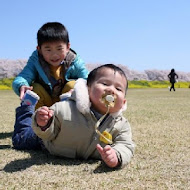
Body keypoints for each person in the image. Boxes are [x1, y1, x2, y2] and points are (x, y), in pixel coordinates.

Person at [31, 64, 135, 168]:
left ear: (123, 102)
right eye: (105, 83)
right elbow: (48, 134)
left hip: (82, 153)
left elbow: (125, 145)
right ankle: (26, 108)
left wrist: (116, 155)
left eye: (118, 89)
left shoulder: (121, 124)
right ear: (88, 88)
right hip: (46, 145)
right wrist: (44, 124)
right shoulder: (63, 109)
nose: (111, 90)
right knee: (22, 139)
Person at [12, 22, 89, 109]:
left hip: (67, 103)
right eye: (48, 50)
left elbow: (88, 79)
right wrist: (21, 85)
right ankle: (36, 119)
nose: (54, 55)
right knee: (35, 89)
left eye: (59, 49)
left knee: (74, 85)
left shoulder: (74, 60)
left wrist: (78, 90)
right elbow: (24, 76)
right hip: (44, 105)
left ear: (68, 47)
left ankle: (68, 120)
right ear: (39, 50)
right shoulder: (36, 60)